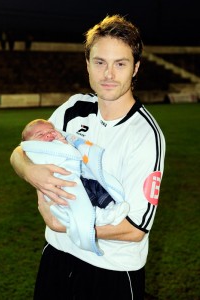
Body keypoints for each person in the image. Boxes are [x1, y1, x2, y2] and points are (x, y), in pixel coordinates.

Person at [10, 14, 166, 300]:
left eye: (120, 63)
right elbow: (26, 150)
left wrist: (67, 225)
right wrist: (28, 171)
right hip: (57, 256)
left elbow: (135, 229)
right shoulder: (74, 108)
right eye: (100, 62)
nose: (108, 74)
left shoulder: (145, 135)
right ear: (87, 65)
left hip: (112, 269)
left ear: (136, 68)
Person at [21, 118, 129, 255]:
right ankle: (98, 216)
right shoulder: (34, 151)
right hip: (62, 186)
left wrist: (62, 141)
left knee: (97, 186)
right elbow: (25, 158)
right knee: (80, 200)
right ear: (29, 142)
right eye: (40, 135)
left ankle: (110, 205)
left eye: (50, 131)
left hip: (78, 177)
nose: (48, 135)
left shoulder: (57, 142)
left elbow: (70, 152)